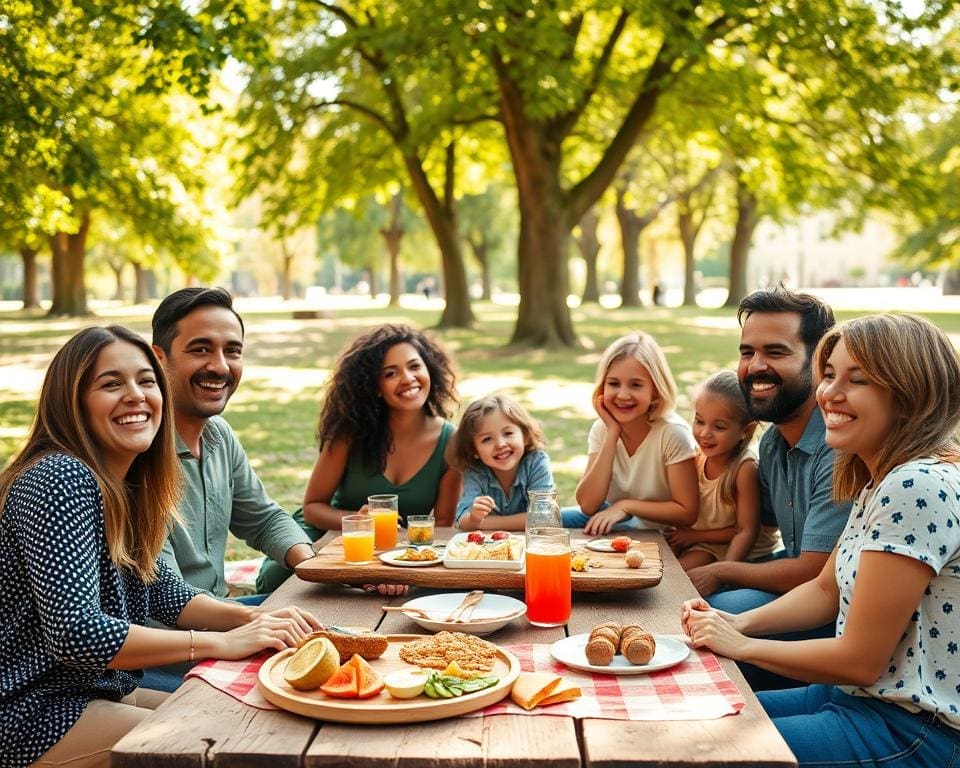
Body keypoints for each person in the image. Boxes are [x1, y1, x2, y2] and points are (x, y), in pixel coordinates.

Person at [0, 326, 320, 768]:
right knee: (227, 746)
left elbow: (163, 592)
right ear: (73, 402)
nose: (136, 395)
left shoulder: (124, 482)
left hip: (97, 689)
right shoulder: (59, 478)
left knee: (246, 717)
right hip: (32, 711)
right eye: (111, 383)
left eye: (146, 381)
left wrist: (254, 618)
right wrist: (217, 644)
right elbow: (76, 634)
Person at [682, 313, 960, 766]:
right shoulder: (879, 480)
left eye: (858, 379)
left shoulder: (916, 486)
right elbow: (824, 589)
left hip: (913, 728)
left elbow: (861, 659)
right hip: (856, 699)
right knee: (680, 722)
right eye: (828, 374)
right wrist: (737, 624)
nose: (829, 392)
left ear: (910, 394)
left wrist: (743, 647)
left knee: (697, 752)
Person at [256, 324, 460, 591]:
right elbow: (313, 508)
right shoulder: (349, 434)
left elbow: (443, 524)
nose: (408, 378)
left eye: (414, 366)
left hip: (399, 546)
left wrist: (400, 558)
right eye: (391, 373)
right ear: (375, 387)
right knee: (281, 576)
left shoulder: (451, 442)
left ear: (429, 370)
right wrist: (357, 520)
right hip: (330, 535)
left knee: (425, 586)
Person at [150, 288, 315, 602]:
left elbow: (264, 519)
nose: (220, 366)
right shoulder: (141, 452)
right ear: (159, 359)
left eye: (233, 351)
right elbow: (167, 596)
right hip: (176, 632)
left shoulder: (219, 435)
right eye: (201, 350)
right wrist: (260, 617)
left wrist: (312, 567)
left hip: (222, 608)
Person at [561, 331, 699, 535]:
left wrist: (626, 506)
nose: (623, 395)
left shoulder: (672, 433)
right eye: (613, 383)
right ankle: (496, 525)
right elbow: (588, 505)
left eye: (636, 385)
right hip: (613, 515)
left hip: (655, 528)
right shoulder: (602, 428)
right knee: (550, 519)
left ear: (655, 390)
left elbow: (687, 512)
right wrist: (612, 433)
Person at [665, 370, 780, 571]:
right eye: (699, 421)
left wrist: (725, 573)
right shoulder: (697, 457)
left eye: (719, 427)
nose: (704, 434)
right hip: (699, 541)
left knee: (678, 574)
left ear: (747, 431)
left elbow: (744, 531)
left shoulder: (744, 469)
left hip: (735, 550)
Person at [452, 394, 554, 531]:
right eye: (487, 439)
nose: (500, 444)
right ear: (473, 449)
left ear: (525, 436)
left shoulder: (536, 462)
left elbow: (545, 518)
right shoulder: (475, 470)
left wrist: (482, 524)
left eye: (508, 433)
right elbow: (462, 521)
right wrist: (474, 518)